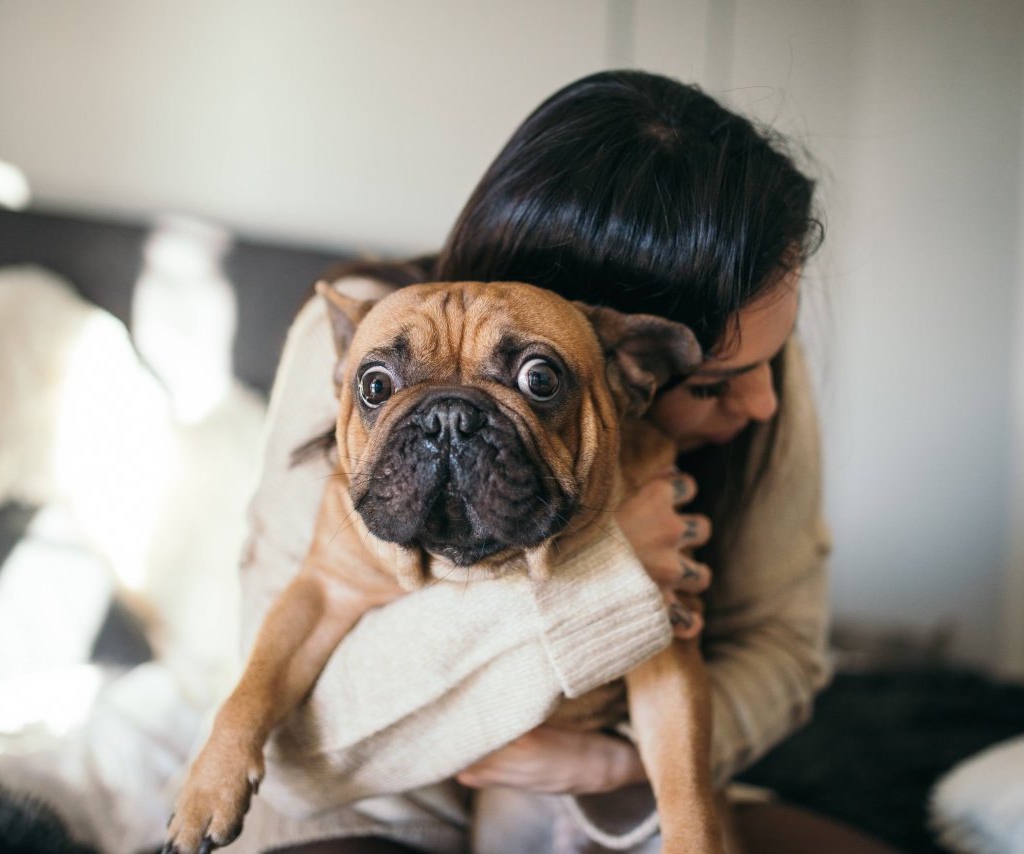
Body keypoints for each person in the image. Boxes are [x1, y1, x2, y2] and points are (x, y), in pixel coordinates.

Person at [230, 70, 894, 853]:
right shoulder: (362, 336)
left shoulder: (753, 350)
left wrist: (611, 765)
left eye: (773, 365)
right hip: (367, 814)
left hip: (634, 786)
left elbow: (784, 648)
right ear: (617, 354)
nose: (763, 406)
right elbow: (296, 753)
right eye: (712, 383)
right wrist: (601, 576)